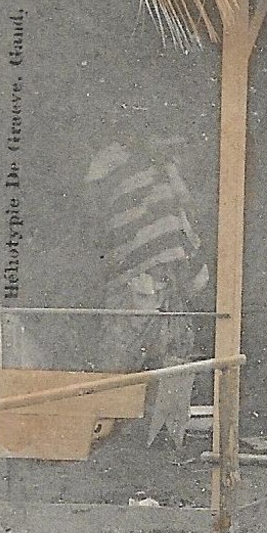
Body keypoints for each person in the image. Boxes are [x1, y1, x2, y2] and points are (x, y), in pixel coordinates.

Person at [85, 137, 211, 448]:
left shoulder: (164, 177)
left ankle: (161, 441)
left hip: (164, 288)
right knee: (119, 362)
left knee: (171, 360)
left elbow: (183, 234)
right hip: (136, 288)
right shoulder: (124, 172)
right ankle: (102, 437)